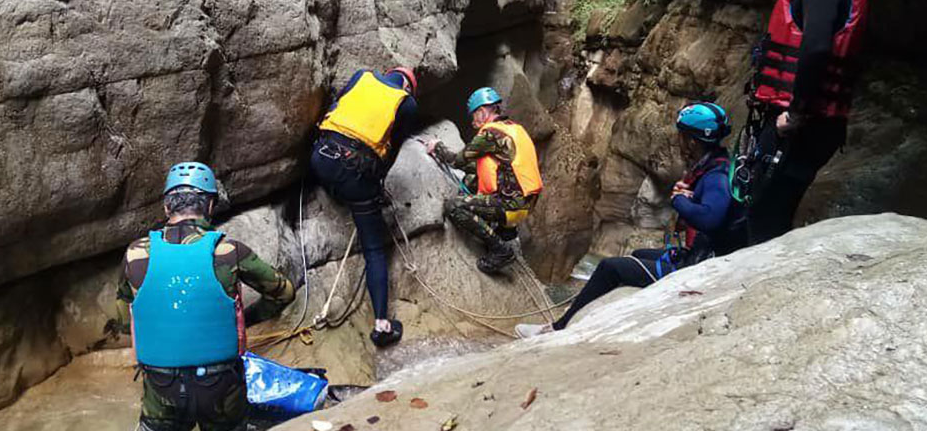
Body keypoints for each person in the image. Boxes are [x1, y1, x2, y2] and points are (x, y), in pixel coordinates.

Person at [515, 103, 743, 338]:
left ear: (693, 142)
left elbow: (711, 218)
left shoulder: (716, 176)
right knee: (638, 255)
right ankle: (595, 310)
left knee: (609, 267)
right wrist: (691, 197)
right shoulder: (718, 164)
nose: (680, 142)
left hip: (697, 266)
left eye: (683, 137)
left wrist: (679, 201)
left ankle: (557, 327)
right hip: (701, 255)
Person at [115, 162, 296, 431]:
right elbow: (284, 293)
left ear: (166, 207)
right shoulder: (230, 251)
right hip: (220, 386)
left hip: (162, 387)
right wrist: (248, 318)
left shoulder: (135, 253)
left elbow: (123, 320)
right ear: (210, 206)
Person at [743, 0, 868, 245]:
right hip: (803, 123)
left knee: (767, 214)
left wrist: (796, 112)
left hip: (804, 126)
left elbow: (816, 48)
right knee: (764, 205)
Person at [309, 67, 418, 347]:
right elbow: (391, 151)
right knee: (374, 248)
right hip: (354, 176)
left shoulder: (362, 76)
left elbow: (337, 105)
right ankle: (382, 325)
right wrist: (376, 182)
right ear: (408, 86)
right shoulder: (406, 103)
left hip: (320, 157)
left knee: (338, 181)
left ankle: (334, 192)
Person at [426, 87, 543, 275]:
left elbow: (457, 160)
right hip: (526, 205)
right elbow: (485, 168)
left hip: (509, 206)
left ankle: (500, 250)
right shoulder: (515, 129)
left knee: (454, 206)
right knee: (475, 175)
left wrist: (437, 146)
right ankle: (506, 231)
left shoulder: (489, 134)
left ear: (482, 112)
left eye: (474, 116)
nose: (473, 122)